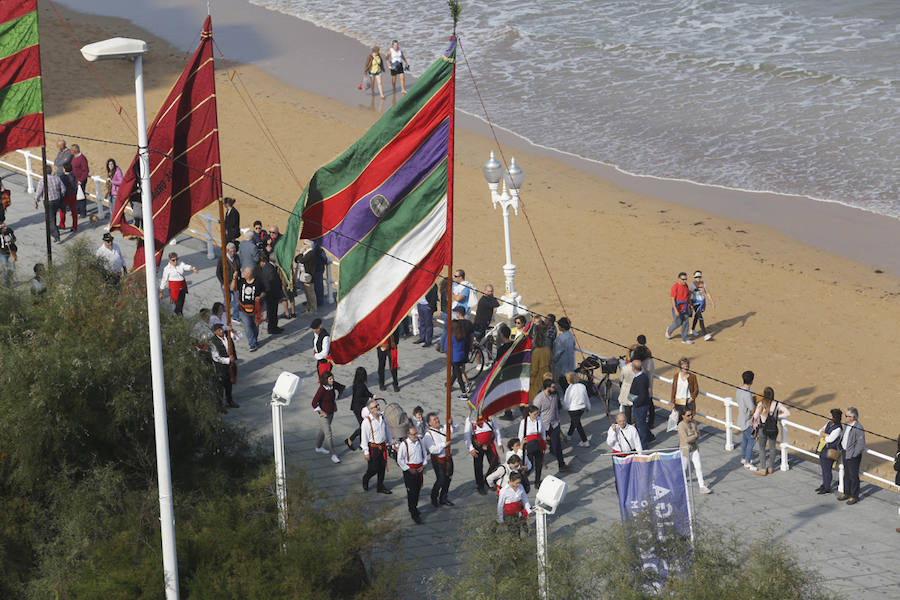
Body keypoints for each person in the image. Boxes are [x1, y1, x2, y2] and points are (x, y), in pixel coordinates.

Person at [753, 387, 791, 476]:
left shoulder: (761, 404)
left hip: (763, 428)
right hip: (773, 428)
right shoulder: (777, 404)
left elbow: (755, 416)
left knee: (762, 449)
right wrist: (777, 417)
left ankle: (763, 469)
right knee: (772, 448)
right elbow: (787, 413)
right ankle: (771, 468)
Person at [533, 378, 568, 472]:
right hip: (543, 426)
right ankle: (541, 462)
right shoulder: (538, 399)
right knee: (541, 446)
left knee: (557, 445)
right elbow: (535, 414)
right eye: (552, 387)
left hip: (554, 424)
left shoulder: (554, 396)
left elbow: (556, 409)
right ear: (547, 388)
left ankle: (562, 465)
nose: (555, 388)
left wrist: (558, 421)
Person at [423, 412, 458, 507]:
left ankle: (443, 497)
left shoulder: (444, 428)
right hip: (439, 460)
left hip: (448, 458)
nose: (437, 420)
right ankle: (434, 497)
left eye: (437, 418)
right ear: (429, 423)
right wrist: (444, 445)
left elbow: (457, 428)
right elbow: (432, 449)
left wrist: (452, 423)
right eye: (434, 419)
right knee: (441, 479)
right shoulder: (428, 435)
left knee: (448, 479)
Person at [396, 425, 427, 524]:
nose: (415, 436)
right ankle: (413, 512)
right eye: (413, 434)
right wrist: (408, 469)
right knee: (411, 492)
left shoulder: (420, 442)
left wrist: (424, 465)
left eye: (416, 434)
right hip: (409, 471)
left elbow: (425, 454)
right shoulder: (404, 444)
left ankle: (414, 506)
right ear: (408, 435)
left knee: (417, 489)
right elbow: (400, 459)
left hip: (419, 469)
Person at [361, 399, 393, 494]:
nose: (378, 407)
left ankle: (380, 486)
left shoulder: (382, 417)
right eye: (375, 406)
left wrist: (390, 441)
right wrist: (366, 451)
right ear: (370, 410)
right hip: (373, 448)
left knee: (382, 468)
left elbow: (387, 430)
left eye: (378, 405)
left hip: (383, 446)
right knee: (373, 468)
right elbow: (364, 437)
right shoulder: (367, 422)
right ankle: (365, 479)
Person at [465, 414, 502, 495]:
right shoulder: (470, 418)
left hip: (489, 444)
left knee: (495, 463)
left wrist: (499, 442)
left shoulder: (490, 416)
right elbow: (467, 434)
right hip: (477, 445)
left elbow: (496, 429)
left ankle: (488, 479)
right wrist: (471, 448)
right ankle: (480, 485)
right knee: (478, 466)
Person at [312, 371, 342, 464]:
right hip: (323, 415)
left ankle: (318, 447)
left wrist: (335, 406)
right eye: (330, 379)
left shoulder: (331, 387)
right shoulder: (321, 389)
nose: (332, 380)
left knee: (323, 430)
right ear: (326, 380)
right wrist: (321, 412)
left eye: (332, 378)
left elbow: (332, 398)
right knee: (328, 434)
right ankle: (333, 455)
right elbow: (314, 403)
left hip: (331, 413)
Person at [678, 409, 711, 494]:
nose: (691, 417)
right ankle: (678, 483)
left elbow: (698, 434)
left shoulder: (693, 423)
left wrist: (695, 436)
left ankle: (702, 486)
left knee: (698, 467)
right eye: (688, 415)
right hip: (685, 450)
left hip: (694, 448)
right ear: (683, 416)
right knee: (684, 468)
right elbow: (686, 439)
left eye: (691, 415)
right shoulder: (681, 425)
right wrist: (695, 436)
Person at [838, 407, 866, 505]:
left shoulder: (859, 427)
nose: (846, 417)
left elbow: (861, 443)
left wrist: (854, 454)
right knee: (846, 474)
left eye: (848, 416)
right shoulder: (846, 424)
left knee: (853, 476)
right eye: (845, 416)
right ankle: (846, 493)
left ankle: (854, 496)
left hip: (853, 455)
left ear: (853, 417)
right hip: (845, 452)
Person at [231, 266, 263, 352]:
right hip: (243, 309)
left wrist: (260, 297)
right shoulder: (241, 281)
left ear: (249, 275)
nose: (243, 273)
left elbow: (263, 292)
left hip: (255, 309)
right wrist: (234, 278)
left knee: (255, 326)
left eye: (245, 272)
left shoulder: (258, 282)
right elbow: (232, 288)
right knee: (248, 326)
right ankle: (252, 344)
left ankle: (255, 340)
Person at [209, 322, 239, 412]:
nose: (221, 331)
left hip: (230, 365)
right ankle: (219, 405)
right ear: (215, 332)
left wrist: (232, 330)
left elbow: (238, 337)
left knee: (229, 383)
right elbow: (216, 357)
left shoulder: (227, 334)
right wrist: (228, 360)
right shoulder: (212, 342)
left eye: (222, 329)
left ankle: (229, 401)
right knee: (220, 386)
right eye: (219, 330)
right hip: (221, 367)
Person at [447, 306, 474, 397]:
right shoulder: (469, 323)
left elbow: (447, 347)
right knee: (459, 369)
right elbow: (471, 336)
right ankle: (449, 384)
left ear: (458, 314)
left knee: (458, 371)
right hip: (464, 350)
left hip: (455, 353)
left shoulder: (456, 326)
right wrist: (471, 346)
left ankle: (465, 387)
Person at [33, 165, 65, 243]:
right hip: (56, 200)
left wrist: (36, 201)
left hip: (48, 202)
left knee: (50, 219)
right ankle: (54, 232)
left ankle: (56, 236)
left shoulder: (42, 181)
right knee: (53, 217)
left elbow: (39, 192)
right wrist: (60, 196)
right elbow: (63, 189)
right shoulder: (57, 178)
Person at [345, 367, 374, 450]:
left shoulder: (357, 384)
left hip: (357, 407)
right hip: (358, 408)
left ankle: (362, 443)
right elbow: (359, 397)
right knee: (363, 426)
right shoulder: (360, 385)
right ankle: (350, 439)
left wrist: (373, 396)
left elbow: (366, 392)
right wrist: (369, 398)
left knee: (363, 424)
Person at [518, 405, 547, 487]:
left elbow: (543, 431)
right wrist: (523, 446)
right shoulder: (524, 422)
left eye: (537, 413)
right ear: (529, 413)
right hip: (529, 445)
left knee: (539, 464)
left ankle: (537, 482)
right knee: (529, 466)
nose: (536, 415)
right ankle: (523, 480)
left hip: (538, 443)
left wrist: (544, 443)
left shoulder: (539, 420)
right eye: (534, 414)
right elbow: (520, 435)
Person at [816, 409, 843, 494]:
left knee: (827, 469)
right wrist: (825, 434)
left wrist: (824, 434)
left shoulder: (838, 428)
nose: (829, 417)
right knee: (824, 469)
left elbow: (830, 439)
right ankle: (824, 484)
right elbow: (819, 431)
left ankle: (827, 487)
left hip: (831, 451)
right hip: (824, 449)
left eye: (831, 416)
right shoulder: (829, 423)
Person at [257, 252, 284, 335]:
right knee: (273, 312)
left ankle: (272, 327)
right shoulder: (270, 269)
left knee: (271, 312)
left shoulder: (267, 267)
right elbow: (273, 284)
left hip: (269, 294)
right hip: (272, 295)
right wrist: (279, 294)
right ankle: (272, 328)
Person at [736, 370, 758, 471]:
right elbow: (752, 410)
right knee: (752, 440)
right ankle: (747, 462)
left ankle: (744, 457)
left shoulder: (739, 390)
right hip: (747, 421)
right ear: (752, 381)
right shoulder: (747, 394)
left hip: (741, 418)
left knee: (745, 439)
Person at [563, 372, 591, 447]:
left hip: (573, 409)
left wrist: (565, 407)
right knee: (575, 422)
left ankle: (585, 441)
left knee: (578, 425)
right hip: (581, 408)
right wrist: (588, 406)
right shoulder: (582, 386)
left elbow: (567, 401)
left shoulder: (569, 389)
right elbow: (586, 397)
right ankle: (569, 435)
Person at [630, 359, 653, 448]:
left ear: (634, 368)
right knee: (641, 423)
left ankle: (643, 444)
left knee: (640, 424)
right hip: (642, 404)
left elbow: (642, 395)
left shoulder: (640, 379)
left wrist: (636, 403)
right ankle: (650, 436)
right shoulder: (643, 376)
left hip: (640, 405)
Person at [216, 242, 242, 321]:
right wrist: (222, 283)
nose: (233, 253)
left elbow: (238, 269)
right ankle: (224, 315)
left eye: (234, 251)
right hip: (226, 283)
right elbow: (218, 272)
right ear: (227, 251)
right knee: (227, 300)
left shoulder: (237, 257)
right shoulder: (222, 259)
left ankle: (235, 316)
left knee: (237, 300)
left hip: (235, 282)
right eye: (231, 251)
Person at [666, 272, 693, 344]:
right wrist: (675, 310)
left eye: (685, 279)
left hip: (685, 307)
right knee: (678, 322)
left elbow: (687, 296)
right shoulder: (675, 286)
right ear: (679, 279)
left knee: (686, 322)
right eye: (683, 279)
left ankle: (684, 338)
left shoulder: (686, 286)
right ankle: (669, 331)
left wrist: (690, 305)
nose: (684, 281)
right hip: (677, 308)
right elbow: (672, 299)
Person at [529, 324, 552, 401]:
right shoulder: (547, 349)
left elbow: (534, 369)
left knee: (536, 395)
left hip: (538, 375)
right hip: (546, 372)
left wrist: (530, 378)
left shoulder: (536, 352)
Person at [295, 240, 318, 315]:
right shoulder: (306, 252)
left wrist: (301, 253)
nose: (303, 245)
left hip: (308, 276)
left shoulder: (311, 253)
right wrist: (301, 254)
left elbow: (301, 260)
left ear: (308, 245)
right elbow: (296, 260)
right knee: (307, 293)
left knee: (311, 294)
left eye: (304, 244)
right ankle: (308, 308)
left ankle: (313, 309)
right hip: (304, 275)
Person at [689, 271, 714, 341]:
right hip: (695, 303)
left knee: (697, 316)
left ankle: (692, 329)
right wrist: (690, 304)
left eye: (699, 277)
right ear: (694, 277)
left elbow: (707, 293)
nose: (698, 278)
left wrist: (712, 301)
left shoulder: (703, 284)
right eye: (696, 277)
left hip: (702, 303)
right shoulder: (692, 285)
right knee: (700, 318)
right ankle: (705, 334)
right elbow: (689, 295)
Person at [552, 317, 575, 391]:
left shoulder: (560, 338)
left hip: (562, 364)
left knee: (563, 384)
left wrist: (553, 360)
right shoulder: (571, 335)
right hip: (570, 362)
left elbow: (557, 353)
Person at [70, 144, 89, 218]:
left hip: (80, 181)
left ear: (74, 151)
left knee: (81, 196)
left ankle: (82, 213)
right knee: (76, 196)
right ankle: (77, 211)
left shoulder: (82, 158)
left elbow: (85, 171)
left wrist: (80, 180)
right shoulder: (75, 157)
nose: (70, 151)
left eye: (71, 150)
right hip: (75, 180)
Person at [617, 357, 637, 425]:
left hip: (626, 389)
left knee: (627, 408)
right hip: (634, 389)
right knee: (634, 406)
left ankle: (628, 422)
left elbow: (621, 379)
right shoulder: (639, 367)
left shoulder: (625, 368)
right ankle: (633, 420)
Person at [59, 164, 78, 231]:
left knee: (62, 210)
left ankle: (62, 224)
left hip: (65, 196)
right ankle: (75, 226)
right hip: (73, 195)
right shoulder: (73, 176)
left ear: (64, 169)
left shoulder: (62, 177)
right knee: (74, 211)